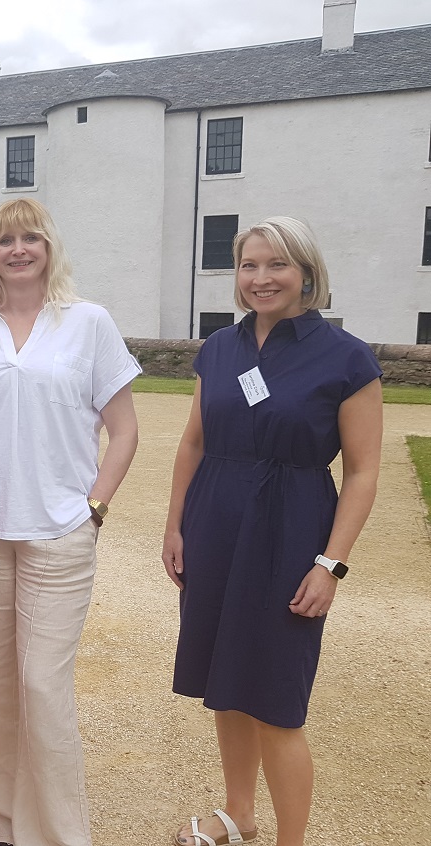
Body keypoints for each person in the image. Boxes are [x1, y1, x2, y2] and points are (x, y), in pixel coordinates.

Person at [162, 216, 382, 846]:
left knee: (276, 699)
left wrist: (330, 564)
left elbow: (363, 471)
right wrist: (175, 526)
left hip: (291, 535)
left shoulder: (346, 358)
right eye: (249, 265)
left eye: (277, 265)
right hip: (216, 527)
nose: (261, 278)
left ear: (307, 273)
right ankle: (240, 814)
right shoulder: (220, 349)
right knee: (225, 683)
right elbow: (193, 441)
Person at [0, 197, 140, 846]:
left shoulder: (88, 323)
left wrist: (96, 508)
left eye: (30, 238)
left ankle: (54, 835)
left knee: (42, 687)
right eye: (5, 240)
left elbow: (125, 431)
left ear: (49, 248)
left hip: (61, 529)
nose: (18, 249)